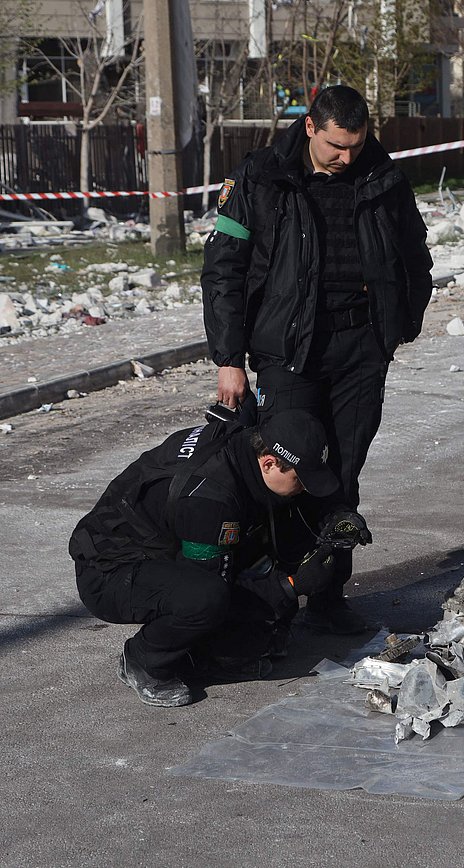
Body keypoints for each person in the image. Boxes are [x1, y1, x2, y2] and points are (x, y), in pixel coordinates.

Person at [201, 84, 434, 635]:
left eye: (356, 145)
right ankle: (272, 600)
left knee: (341, 476)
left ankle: (328, 596)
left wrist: (398, 327)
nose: (346, 158)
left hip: (360, 350)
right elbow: (224, 269)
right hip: (287, 353)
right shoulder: (261, 177)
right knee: (286, 473)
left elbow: (415, 257)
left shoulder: (384, 178)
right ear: (310, 127)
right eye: (336, 146)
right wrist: (228, 358)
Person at [70, 409, 347, 707]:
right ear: (269, 463)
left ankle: (212, 651)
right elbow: (214, 590)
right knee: (205, 600)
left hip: (155, 545)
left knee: (256, 615)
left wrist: (336, 517)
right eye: (301, 480)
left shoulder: (242, 444)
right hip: (108, 572)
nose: (305, 488)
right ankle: (145, 659)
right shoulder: (211, 499)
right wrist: (291, 585)